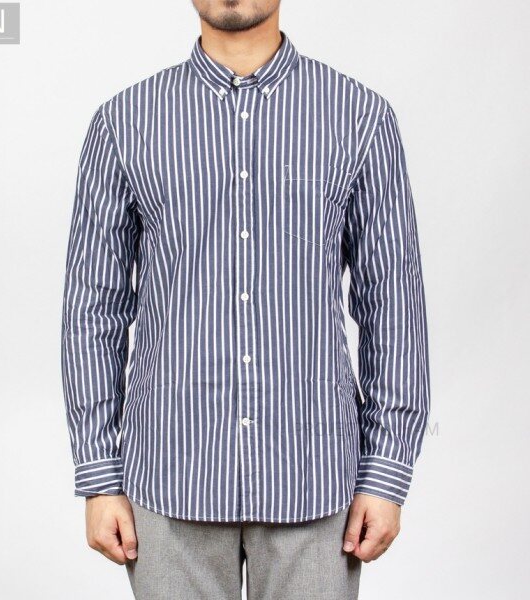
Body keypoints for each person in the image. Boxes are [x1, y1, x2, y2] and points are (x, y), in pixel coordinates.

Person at [61, 1, 430, 598]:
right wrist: (99, 475)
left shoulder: (359, 117)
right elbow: (92, 308)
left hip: (315, 479)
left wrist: (386, 471)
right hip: (168, 479)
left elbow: (393, 302)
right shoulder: (124, 123)